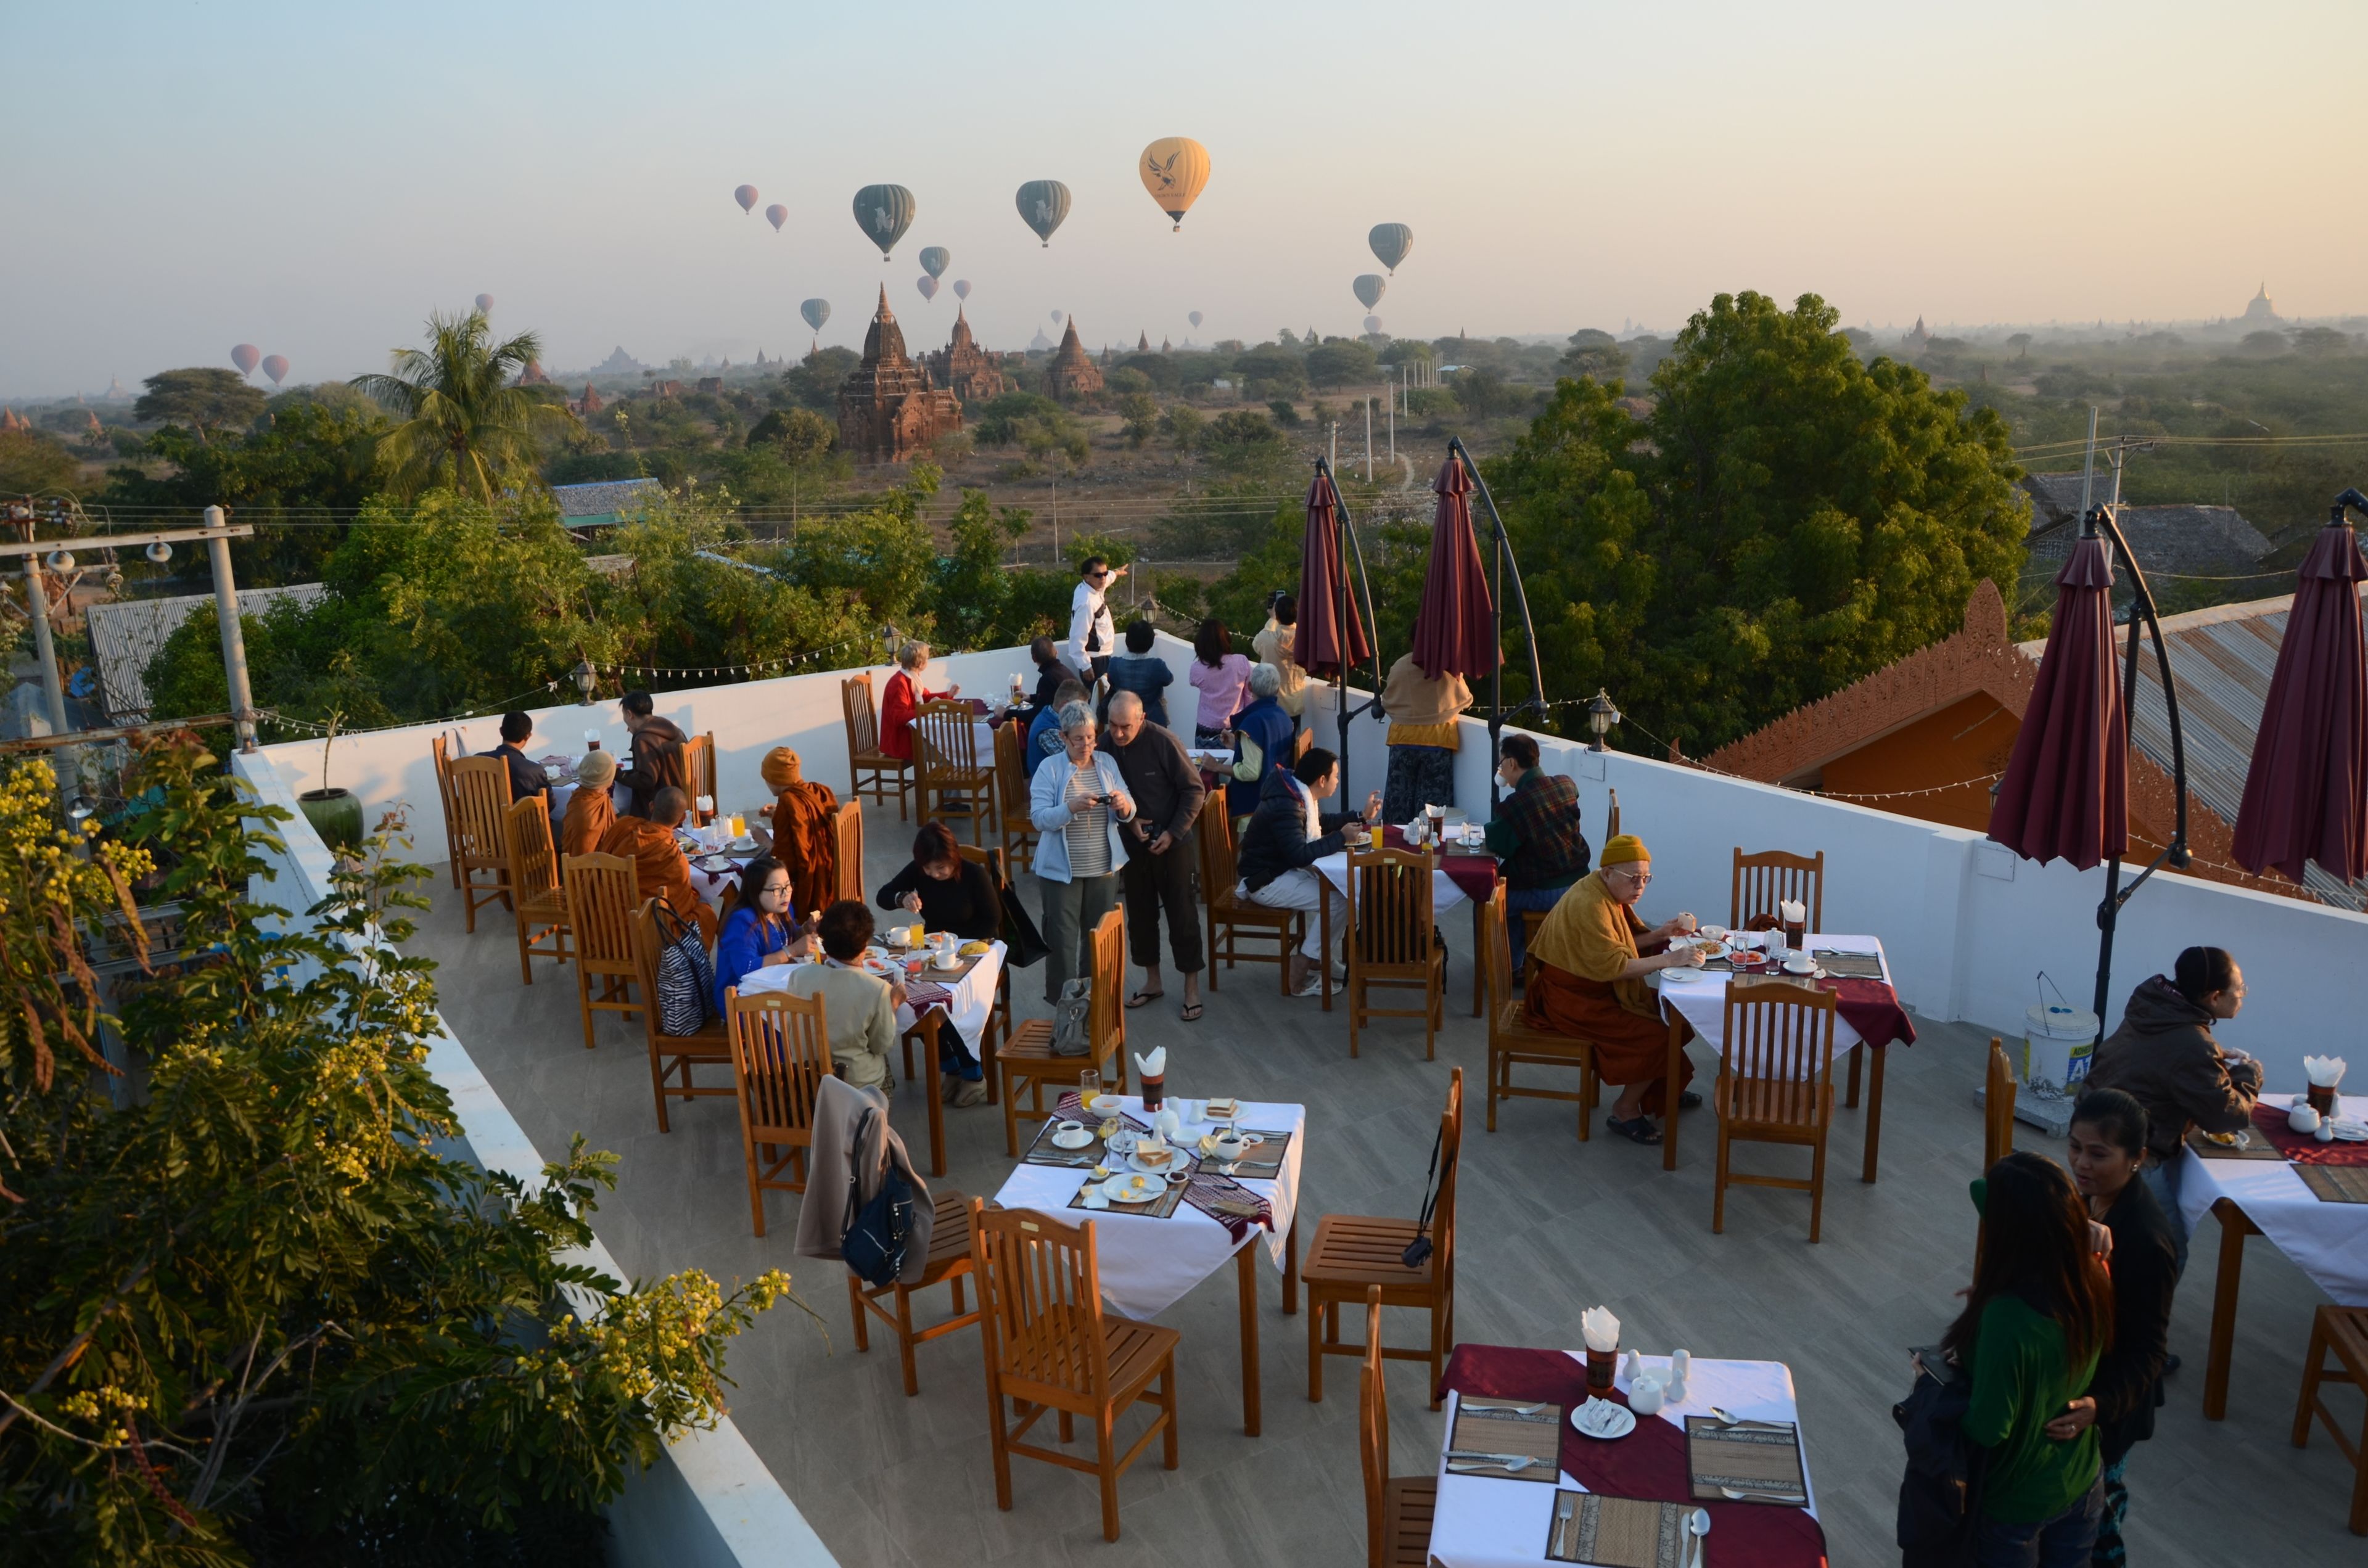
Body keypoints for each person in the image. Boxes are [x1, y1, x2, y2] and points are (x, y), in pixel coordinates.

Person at [1942, 1151, 2111, 1567]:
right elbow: (1984, 1189)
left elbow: (1989, 1428)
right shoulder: (2095, 1275)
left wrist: (1934, 1387)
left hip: (2016, 1504)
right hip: (2082, 1478)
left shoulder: (2006, 1318)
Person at [2054, 1088, 2176, 1568]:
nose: (2081, 1163)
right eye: (2075, 1147)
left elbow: (2148, 1352)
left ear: (2137, 1158)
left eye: (2098, 1153)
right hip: (2080, 1377)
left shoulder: (2146, 1240)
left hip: (2109, 1405)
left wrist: (2097, 1405)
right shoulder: (2089, 1198)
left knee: (2098, 1522)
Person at [2084, 946, 2258, 1268]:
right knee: (2167, 1252)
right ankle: (2125, 1301)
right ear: (2215, 997)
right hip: (2128, 1153)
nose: (2243, 996)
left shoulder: (2154, 1005)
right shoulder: (2193, 1043)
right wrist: (2249, 1076)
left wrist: (2214, 1059)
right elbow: (2224, 1116)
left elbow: (2162, 1059)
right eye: (2240, 989)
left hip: (2092, 1128)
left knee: (2123, 1245)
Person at [1524, 835, 1703, 1144]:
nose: (1640, 886)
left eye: (1646, 878)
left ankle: (1663, 1087)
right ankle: (1625, 1110)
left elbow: (1620, 946)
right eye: (1633, 878)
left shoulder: (1603, 890)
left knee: (1675, 1014)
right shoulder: (1590, 905)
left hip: (1597, 986)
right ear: (1607, 873)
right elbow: (1616, 966)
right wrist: (1670, 959)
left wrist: (1659, 934)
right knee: (1657, 1037)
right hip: (1572, 998)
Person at [1237, 747, 1381, 997]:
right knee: (1339, 899)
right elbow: (1300, 855)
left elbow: (1321, 823)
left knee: (1343, 894)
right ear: (1322, 780)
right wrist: (1340, 838)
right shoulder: (1288, 805)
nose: (1338, 781)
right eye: (1336, 776)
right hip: (1264, 881)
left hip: (1279, 870)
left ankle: (1316, 958)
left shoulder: (1297, 794)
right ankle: (1303, 963)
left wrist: (1361, 816)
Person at [873, 821, 1000, 1104]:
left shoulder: (974, 874)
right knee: (914, 1002)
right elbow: (883, 896)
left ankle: (974, 1074)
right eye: (929, 869)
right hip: (933, 953)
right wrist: (902, 897)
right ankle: (952, 1067)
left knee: (947, 1003)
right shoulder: (920, 871)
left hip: (976, 951)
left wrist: (954, 944)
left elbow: (992, 919)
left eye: (940, 868)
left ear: (953, 858)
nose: (934, 874)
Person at [1102, 691, 1207, 1021]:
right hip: (1134, 844)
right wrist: (1130, 822)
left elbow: (1195, 790)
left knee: (1182, 916)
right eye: (1113, 725)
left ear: (1142, 719)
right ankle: (1153, 981)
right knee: (1141, 916)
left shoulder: (1164, 742)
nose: (1119, 733)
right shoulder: (1105, 745)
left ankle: (1191, 988)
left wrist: (1173, 832)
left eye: (1126, 727)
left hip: (1173, 842)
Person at [1029, 700, 1135, 1004]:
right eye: (1078, 738)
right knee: (1061, 942)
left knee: (1097, 940)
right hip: (1061, 872)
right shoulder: (1050, 768)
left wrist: (1123, 805)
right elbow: (1039, 819)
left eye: (1091, 737)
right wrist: (1070, 808)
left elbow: (1129, 804)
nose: (1087, 745)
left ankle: (1094, 1006)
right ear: (1063, 737)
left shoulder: (1106, 762)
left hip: (1103, 868)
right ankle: (1064, 1009)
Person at [1484, 734, 1592, 973]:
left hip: (1550, 891)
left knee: (1491, 900)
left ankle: (1503, 969)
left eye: (1501, 763)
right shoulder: (1566, 784)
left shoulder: (1517, 804)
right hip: (1582, 883)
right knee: (1513, 891)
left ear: (1511, 763)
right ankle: (1517, 963)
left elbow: (1497, 843)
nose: (1501, 769)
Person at [783, 900, 898, 1091]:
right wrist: (892, 1006)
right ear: (865, 945)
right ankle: (877, 1109)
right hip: (854, 1088)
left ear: (823, 942)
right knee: (882, 1063)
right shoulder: (877, 989)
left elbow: (791, 1031)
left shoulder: (799, 976)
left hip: (807, 1082)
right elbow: (882, 1045)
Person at [1378, 650, 1472, 824]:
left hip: (1402, 740)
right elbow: (1465, 699)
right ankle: (1428, 842)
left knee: (1398, 805)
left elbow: (1388, 701)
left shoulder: (1401, 665)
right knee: (1432, 812)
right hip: (1437, 741)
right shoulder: (1447, 667)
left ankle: (1394, 841)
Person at [712, 856, 813, 1016]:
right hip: (742, 1001)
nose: (785, 894)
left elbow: (787, 937)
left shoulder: (783, 908)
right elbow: (746, 969)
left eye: (788, 886)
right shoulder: (742, 922)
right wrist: (793, 951)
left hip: (773, 988)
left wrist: (806, 929)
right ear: (756, 891)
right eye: (776, 889)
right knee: (806, 1021)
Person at [597, 784, 700, 924]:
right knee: (705, 913)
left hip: (608, 923)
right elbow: (679, 904)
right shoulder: (674, 857)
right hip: (647, 930)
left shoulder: (622, 827)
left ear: (651, 806)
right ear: (682, 818)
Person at [760, 746, 840, 907]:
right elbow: (806, 824)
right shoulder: (819, 790)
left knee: (757, 884)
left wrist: (764, 840)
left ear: (775, 779)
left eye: (766, 778)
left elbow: (786, 864)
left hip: (812, 887)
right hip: (832, 874)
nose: (766, 783)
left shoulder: (787, 803)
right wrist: (777, 815)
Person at [1225, 662, 1297, 817]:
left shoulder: (1252, 722)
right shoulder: (1284, 716)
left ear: (1250, 687)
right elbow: (1269, 751)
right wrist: (1237, 745)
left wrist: (1216, 767)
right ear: (1277, 690)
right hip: (1280, 794)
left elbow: (1251, 772)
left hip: (1255, 806)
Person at [878, 641, 957, 763]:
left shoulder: (912, 677)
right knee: (951, 756)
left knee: (951, 748)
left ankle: (938, 776)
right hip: (901, 743)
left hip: (913, 735)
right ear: (921, 664)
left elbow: (925, 697)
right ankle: (937, 777)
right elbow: (899, 718)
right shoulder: (899, 684)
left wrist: (948, 695)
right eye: (927, 659)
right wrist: (928, 708)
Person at [618, 691, 687, 819]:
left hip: (665, 804)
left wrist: (618, 775)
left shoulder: (643, 739)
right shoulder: (673, 729)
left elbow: (647, 781)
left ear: (629, 714)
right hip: (681, 795)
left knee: (619, 812)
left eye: (624, 715)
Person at [1188, 617, 1254, 747]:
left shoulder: (1197, 669)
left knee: (1204, 760)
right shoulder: (1241, 662)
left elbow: (1193, 682)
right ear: (1225, 639)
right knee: (1235, 761)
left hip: (1205, 730)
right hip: (1235, 727)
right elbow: (1249, 696)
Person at [1101, 618, 1174, 730]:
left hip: (1125, 721)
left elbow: (1112, 682)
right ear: (1151, 642)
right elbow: (1168, 679)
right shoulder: (1157, 665)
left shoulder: (1114, 664)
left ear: (1127, 640)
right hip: (1154, 722)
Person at [1067, 555, 1126, 682]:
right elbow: (1077, 636)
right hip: (1095, 661)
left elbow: (1108, 579)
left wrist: (1117, 572)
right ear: (1086, 577)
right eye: (1098, 575)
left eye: (1105, 573)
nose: (1103, 578)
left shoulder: (1093, 586)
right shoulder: (1086, 603)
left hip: (1103, 656)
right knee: (1101, 694)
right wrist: (1085, 666)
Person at [1253, 593, 1309, 719]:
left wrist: (1272, 619)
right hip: (1294, 704)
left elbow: (1256, 645)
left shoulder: (1266, 638)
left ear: (1277, 615)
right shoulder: (1304, 639)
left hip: (1270, 703)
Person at [1026, 678, 1088, 779]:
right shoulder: (1048, 731)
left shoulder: (1049, 714)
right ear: (1065, 706)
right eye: (1080, 708)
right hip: (1049, 785)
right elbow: (1075, 764)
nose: (1083, 714)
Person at [560, 747, 617, 858]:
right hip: (589, 867)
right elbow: (583, 858)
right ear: (609, 779)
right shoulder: (587, 816)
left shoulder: (580, 797)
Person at [482, 710, 549, 803]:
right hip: (518, 813)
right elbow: (549, 803)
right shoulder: (534, 770)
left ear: (501, 731)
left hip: (479, 813)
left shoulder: (476, 761)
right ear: (528, 736)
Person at [1022, 635, 1077, 719]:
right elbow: (1051, 697)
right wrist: (1031, 698)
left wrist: (1006, 713)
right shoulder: (1064, 670)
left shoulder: (1047, 679)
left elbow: (1036, 714)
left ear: (1034, 658)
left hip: (1064, 723)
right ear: (1056, 652)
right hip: (1077, 718)